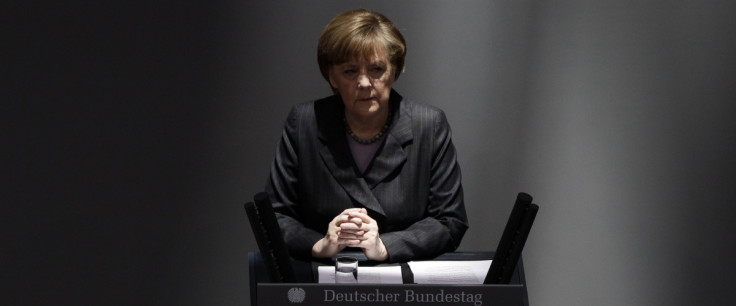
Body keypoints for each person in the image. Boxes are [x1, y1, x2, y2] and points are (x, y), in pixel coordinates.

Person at [265, 9, 468, 263]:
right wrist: (319, 244)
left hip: (400, 283)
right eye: (350, 71)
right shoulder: (305, 122)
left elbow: (449, 220)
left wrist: (384, 246)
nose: (363, 82)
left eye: (376, 69)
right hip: (323, 282)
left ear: (394, 71)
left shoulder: (429, 125)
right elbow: (274, 216)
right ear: (332, 76)